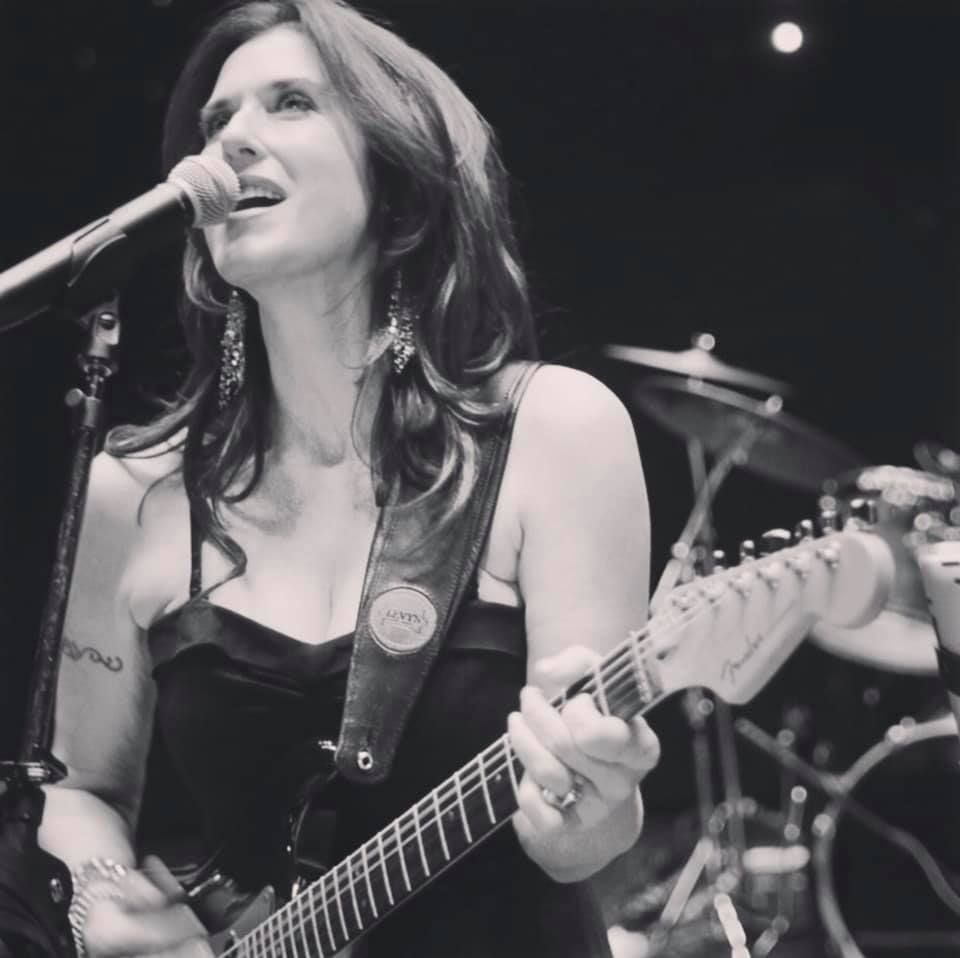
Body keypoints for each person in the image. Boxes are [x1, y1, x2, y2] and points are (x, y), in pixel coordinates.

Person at [38, 1, 657, 955]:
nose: (234, 137)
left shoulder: (554, 432)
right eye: (216, 119)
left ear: (396, 174)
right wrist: (103, 898)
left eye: (291, 103)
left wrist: (591, 807)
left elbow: (584, 843)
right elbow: (78, 789)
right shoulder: (137, 492)